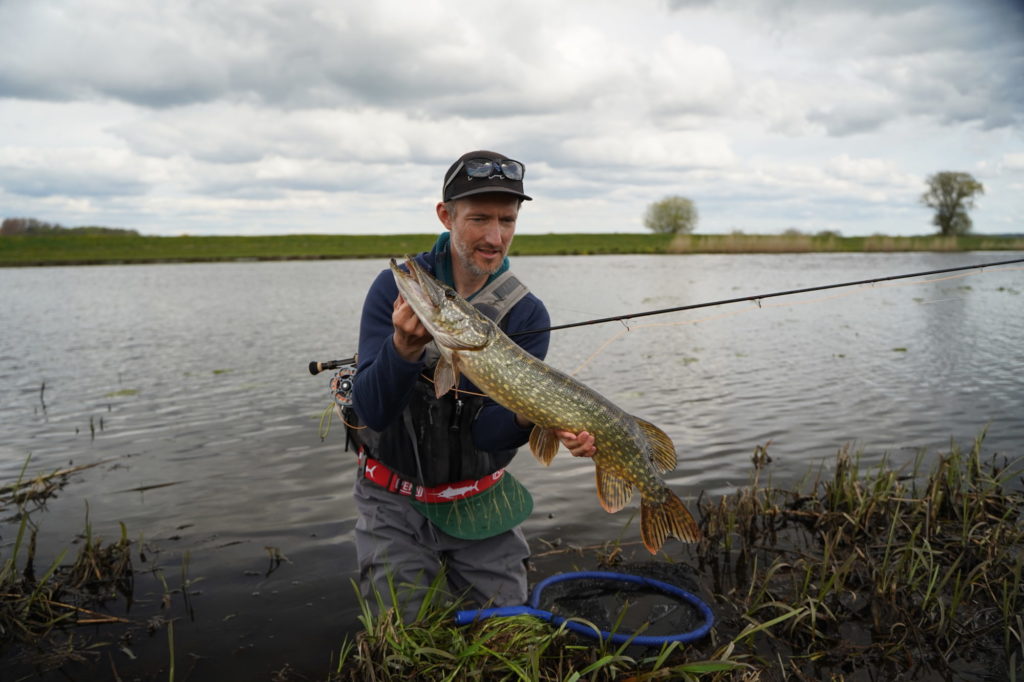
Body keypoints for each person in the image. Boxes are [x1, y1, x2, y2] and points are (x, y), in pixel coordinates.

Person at [349, 150, 596, 618]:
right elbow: (372, 412)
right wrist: (402, 349)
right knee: (403, 637)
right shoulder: (394, 289)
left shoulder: (527, 313)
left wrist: (531, 413)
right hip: (392, 502)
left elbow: (487, 434)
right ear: (446, 215)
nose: (495, 236)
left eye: (507, 219)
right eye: (479, 218)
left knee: (506, 637)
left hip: (481, 500)